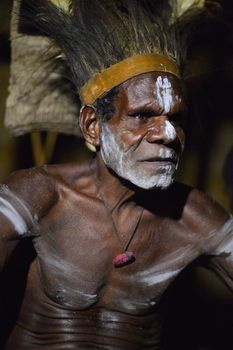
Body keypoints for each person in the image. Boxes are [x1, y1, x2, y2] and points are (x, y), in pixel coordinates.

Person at [1, 0, 233, 349]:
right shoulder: (39, 195)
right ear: (93, 126)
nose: (167, 135)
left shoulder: (197, 219)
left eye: (177, 119)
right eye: (142, 116)